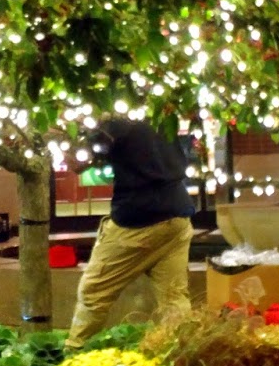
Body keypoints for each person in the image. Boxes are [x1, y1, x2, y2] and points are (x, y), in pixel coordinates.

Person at [65, 117, 195, 350]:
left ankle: (73, 354)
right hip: (177, 216)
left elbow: (78, 162)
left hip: (137, 221)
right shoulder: (159, 110)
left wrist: (73, 131)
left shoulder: (116, 120)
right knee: (174, 299)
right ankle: (183, 359)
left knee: (93, 292)